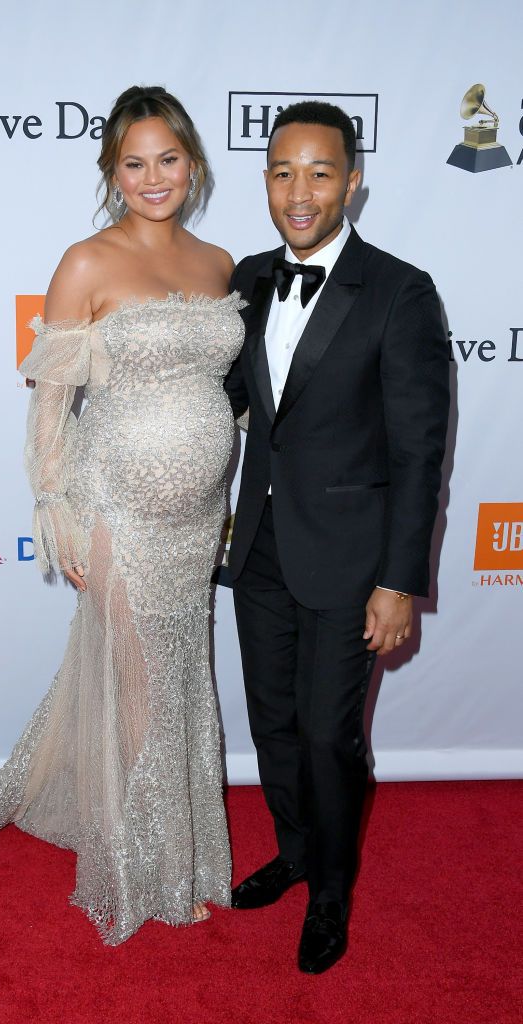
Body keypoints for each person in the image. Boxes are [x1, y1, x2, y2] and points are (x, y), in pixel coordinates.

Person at [0, 85, 245, 945]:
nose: (152, 177)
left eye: (167, 159)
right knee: (142, 684)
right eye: (132, 163)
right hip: (117, 509)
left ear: (193, 163)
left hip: (194, 513)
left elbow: (224, 394)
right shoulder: (86, 262)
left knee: (181, 676)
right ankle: (150, 867)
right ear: (111, 172)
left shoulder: (219, 263)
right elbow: (49, 409)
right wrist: (55, 511)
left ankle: (188, 850)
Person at [224, 101, 450, 973]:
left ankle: (329, 896)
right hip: (261, 548)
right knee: (273, 724)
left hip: (353, 560)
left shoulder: (399, 289)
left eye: (320, 172)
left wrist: (399, 581)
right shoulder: (243, 278)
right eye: (282, 172)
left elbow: (419, 451)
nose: (299, 191)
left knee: (327, 733)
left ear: (352, 181)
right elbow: (228, 406)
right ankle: (294, 851)